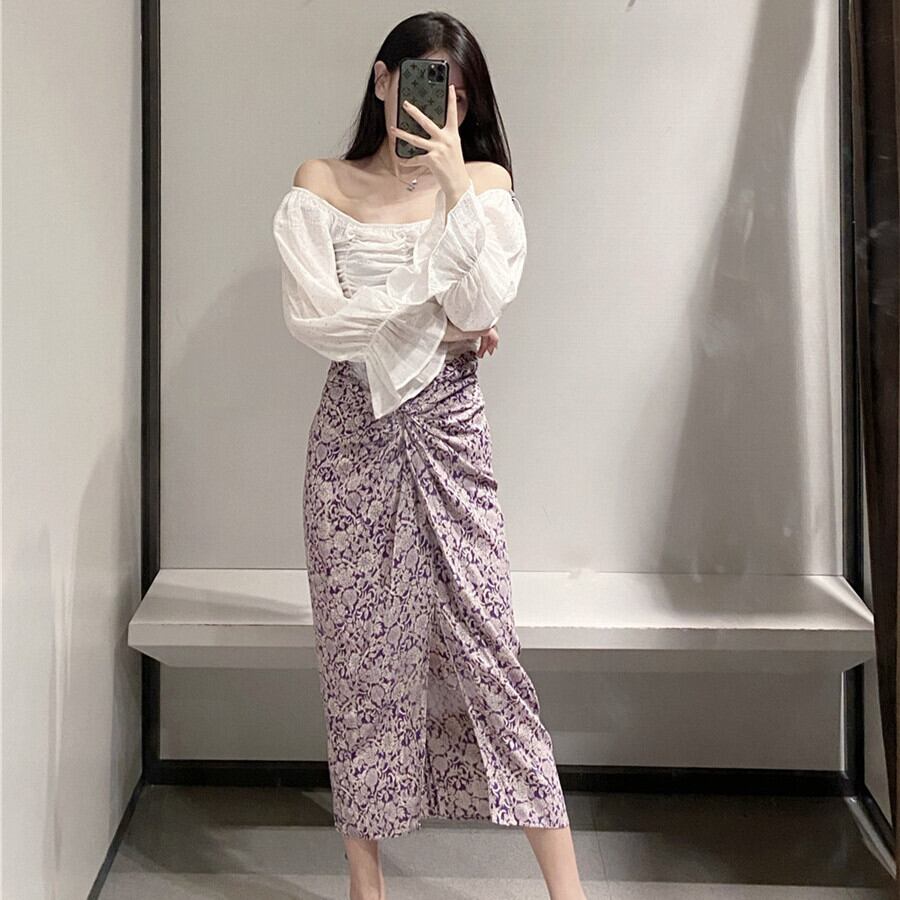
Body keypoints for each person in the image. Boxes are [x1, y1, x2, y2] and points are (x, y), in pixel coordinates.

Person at [272, 12, 588, 900]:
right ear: (383, 80)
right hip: (351, 441)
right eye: (422, 80)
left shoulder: (481, 184)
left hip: (450, 433)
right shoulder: (320, 184)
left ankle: (570, 895)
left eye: (455, 91)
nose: (437, 103)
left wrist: (453, 191)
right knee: (359, 664)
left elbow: (484, 303)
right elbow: (317, 321)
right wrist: (436, 323)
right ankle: (365, 886)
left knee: (490, 656)